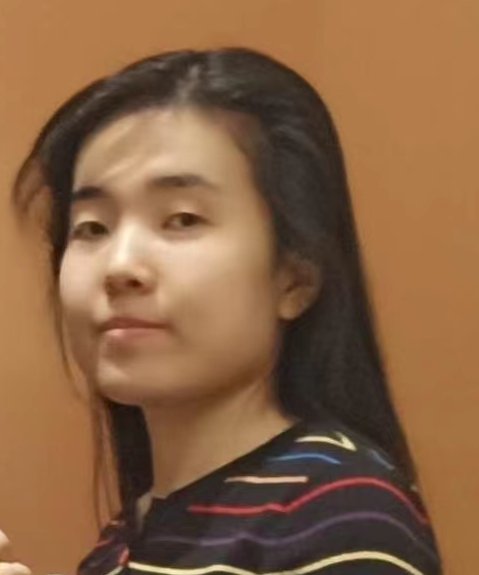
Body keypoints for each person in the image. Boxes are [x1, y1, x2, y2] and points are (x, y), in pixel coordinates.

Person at [6, 47, 442, 574]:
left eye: (182, 219)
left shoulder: (341, 514)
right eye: (92, 227)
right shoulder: (122, 540)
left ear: (295, 279)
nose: (120, 266)